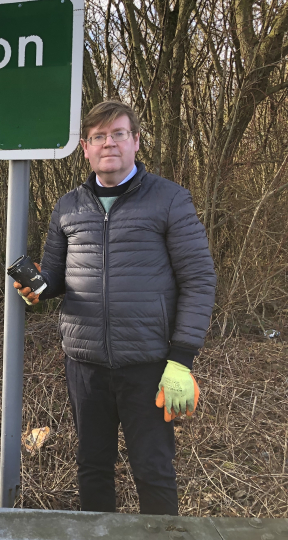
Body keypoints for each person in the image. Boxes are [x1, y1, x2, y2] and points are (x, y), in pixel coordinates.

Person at [14, 101, 216, 515]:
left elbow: (199, 280)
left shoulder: (170, 200)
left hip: (149, 364)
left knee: (153, 469)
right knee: (92, 467)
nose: (110, 143)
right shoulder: (68, 206)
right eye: (99, 137)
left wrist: (181, 360)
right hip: (85, 364)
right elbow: (54, 274)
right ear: (85, 148)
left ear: (135, 142)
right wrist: (37, 287)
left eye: (119, 134)